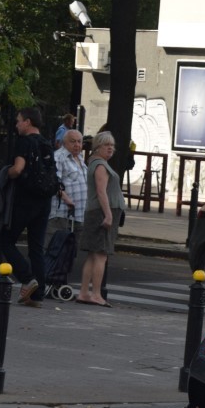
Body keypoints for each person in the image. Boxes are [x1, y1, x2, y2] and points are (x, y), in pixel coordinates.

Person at [0, 106, 53, 306]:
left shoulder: (24, 142)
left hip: (25, 199)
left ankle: (28, 279)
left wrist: (7, 173)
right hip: (44, 200)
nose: (17, 124)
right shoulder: (46, 143)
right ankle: (37, 294)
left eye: (19, 120)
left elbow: (18, 169)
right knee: (36, 247)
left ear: (28, 122)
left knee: (6, 240)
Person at [76, 130, 124, 306]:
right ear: (97, 147)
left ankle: (84, 293)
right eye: (106, 145)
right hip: (101, 213)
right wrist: (109, 215)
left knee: (93, 254)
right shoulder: (100, 165)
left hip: (96, 212)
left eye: (112, 145)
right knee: (101, 255)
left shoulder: (97, 163)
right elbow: (101, 191)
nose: (110, 148)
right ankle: (96, 294)